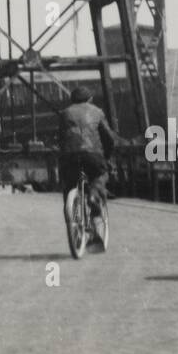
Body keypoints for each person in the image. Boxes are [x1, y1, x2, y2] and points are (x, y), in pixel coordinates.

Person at [58, 87, 118, 243]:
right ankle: (93, 195)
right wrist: (107, 156)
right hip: (92, 155)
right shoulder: (97, 111)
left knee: (69, 187)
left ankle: (73, 224)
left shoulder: (65, 113)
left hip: (70, 157)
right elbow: (109, 138)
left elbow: (60, 138)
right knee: (101, 175)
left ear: (72, 99)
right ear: (90, 99)